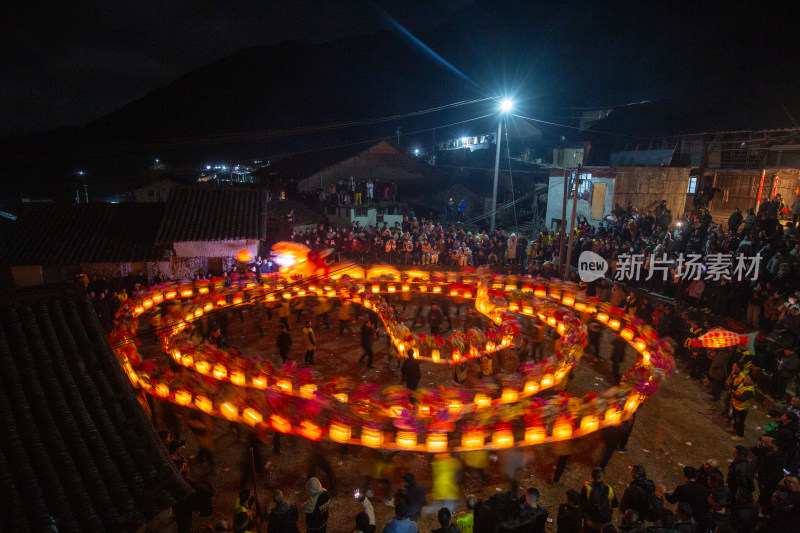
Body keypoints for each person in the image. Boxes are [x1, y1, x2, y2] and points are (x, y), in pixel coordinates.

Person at [580, 467, 618, 533]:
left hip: (590, 523)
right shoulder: (609, 489)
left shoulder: (587, 488)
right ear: (601, 477)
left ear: (592, 476)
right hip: (604, 525)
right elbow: (615, 504)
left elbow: (581, 504)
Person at [730, 374, 755, 440]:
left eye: (747, 378)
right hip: (736, 405)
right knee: (735, 418)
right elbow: (734, 387)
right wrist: (732, 380)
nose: (745, 379)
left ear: (752, 382)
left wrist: (733, 395)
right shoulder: (742, 384)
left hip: (742, 408)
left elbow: (741, 398)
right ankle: (734, 429)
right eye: (745, 377)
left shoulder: (750, 391)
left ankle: (740, 435)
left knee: (740, 421)